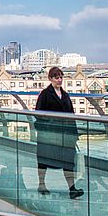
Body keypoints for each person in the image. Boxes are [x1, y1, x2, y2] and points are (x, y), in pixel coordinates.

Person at [34, 66, 84, 199]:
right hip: (49, 135)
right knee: (44, 160)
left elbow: (71, 116)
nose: (60, 80)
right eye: (57, 77)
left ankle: (72, 188)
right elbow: (38, 113)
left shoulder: (66, 95)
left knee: (68, 161)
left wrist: (74, 135)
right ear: (50, 78)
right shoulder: (44, 94)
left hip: (65, 135)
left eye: (61, 77)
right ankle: (41, 184)